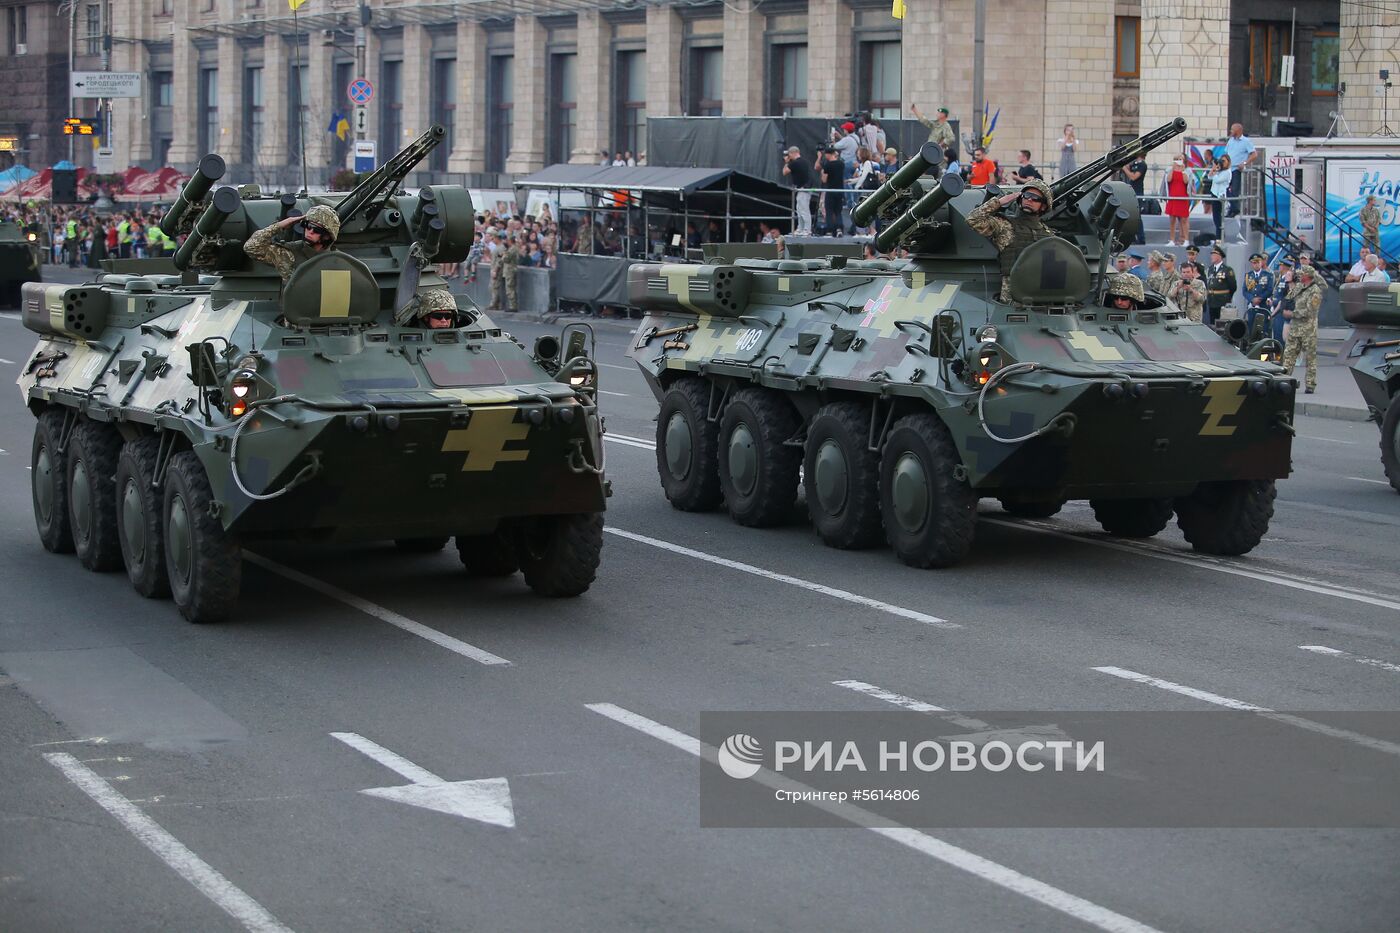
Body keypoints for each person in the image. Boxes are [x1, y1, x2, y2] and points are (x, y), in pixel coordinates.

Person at [965, 179, 1057, 301]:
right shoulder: (1005, 225)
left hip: (1043, 297)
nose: (1029, 200)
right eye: (1027, 195)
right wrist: (998, 202)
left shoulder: (1048, 234)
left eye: (1036, 198)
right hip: (1013, 300)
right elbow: (973, 219)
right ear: (1020, 198)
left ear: (1044, 206)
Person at [244, 204, 341, 282]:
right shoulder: (289, 255)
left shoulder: (340, 261)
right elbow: (251, 247)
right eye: (307, 225)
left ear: (328, 236)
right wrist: (279, 226)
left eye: (316, 229)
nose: (310, 231)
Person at [1281, 265, 1322, 393]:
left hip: (1308, 329)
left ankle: (1310, 385)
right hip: (1295, 328)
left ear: (1308, 276)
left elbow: (1310, 311)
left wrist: (1292, 314)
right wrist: (1289, 283)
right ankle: (1284, 382)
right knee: (1288, 355)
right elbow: (1288, 297)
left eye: (1301, 274)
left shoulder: (1315, 291)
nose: (1299, 276)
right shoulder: (1299, 287)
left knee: (1310, 358)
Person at [1223, 123, 1257, 226]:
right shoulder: (1230, 141)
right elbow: (1226, 154)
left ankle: (1234, 209)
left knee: (1234, 190)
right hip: (1228, 169)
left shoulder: (1246, 141)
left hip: (1237, 169)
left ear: (1238, 130)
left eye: (1232, 129)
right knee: (1225, 189)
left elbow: (1254, 154)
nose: (1230, 131)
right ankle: (1234, 208)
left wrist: (1245, 163)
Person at [783, 146, 814, 236]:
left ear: (793, 153)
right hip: (804, 188)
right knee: (799, 209)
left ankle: (807, 229)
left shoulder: (794, 163)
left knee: (803, 210)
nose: (789, 157)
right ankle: (800, 228)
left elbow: (784, 172)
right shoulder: (805, 162)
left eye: (789, 155)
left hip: (803, 189)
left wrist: (786, 162)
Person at [1243, 253, 1275, 338]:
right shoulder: (1248, 275)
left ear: (1261, 263)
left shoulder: (1268, 275)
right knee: (1251, 328)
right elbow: (1244, 291)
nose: (1256, 265)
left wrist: (1260, 298)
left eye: (1258, 262)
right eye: (1254, 263)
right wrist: (1252, 299)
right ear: (1251, 264)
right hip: (1252, 306)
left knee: (1263, 329)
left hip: (1263, 306)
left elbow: (1270, 289)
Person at [1204, 243, 1236, 327]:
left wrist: (1228, 297)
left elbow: (1233, 286)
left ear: (1220, 256)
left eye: (1214, 254)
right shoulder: (1210, 269)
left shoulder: (1227, 270)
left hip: (1222, 300)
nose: (1212, 256)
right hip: (1211, 300)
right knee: (1212, 323)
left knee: (1222, 324)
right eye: (1211, 254)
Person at [1164, 154, 1193, 246]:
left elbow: (1186, 181)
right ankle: (1172, 240)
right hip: (1173, 196)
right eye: (1177, 159)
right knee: (1172, 220)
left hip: (1182, 197)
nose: (1179, 161)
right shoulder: (1170, 169)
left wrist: (1182, 170)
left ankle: (1186, 240)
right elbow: (1168, 180)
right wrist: (1173, 169)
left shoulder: (1187, 170)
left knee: (1184, 219)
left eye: (1181, 159)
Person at [1120, 149, 1148, 245]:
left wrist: (1124, 168)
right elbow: (1129, 167)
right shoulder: (1135, 163)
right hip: (1131, 191)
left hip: (1138, 192)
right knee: (1132, 216)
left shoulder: (1142, 165)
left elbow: (1133, 177)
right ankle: (1134, 238)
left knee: (1137, 217)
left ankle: (1141, 238)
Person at [1208, 155, 1233, 242]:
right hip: (1214, 193)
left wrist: (1215, 173)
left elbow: (1218, 180)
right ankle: (1219, 236)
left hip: (1221, 195)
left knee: (1219, 217)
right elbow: (1209, 177)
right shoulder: (1219, 170)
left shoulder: (1227, 172)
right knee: (1215, 216)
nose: (1222, 163)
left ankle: (1220, 237)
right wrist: (1214, 168)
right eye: (1221, 161)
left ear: (1228, 162)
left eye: (1224, 161)